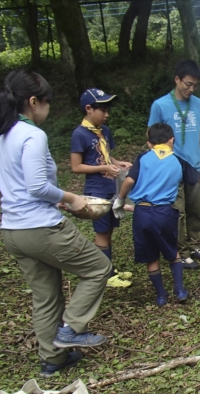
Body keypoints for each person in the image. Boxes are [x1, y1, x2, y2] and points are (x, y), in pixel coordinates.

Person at [0, 69, 111, 377]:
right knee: (98, 267)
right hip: (41, 228)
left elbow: (17, 186)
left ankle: (52, 361)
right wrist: (71, 198)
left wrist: (54, 198)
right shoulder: (32, 135)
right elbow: (35, 185)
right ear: (33, 101)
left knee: (46, 295)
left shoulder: (1, 136)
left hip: (13, 230)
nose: (49, 108)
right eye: (47, 102)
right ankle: (71, 328)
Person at [113, 123, 200, 306]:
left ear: (149, 143)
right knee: (173, 253)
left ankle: (161, 296)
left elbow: (128, 181)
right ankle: (180, 290)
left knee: (151, 257)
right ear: (171, 140)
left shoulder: (142, 158)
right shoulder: (178, 161)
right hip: (164, 212)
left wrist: (120, 200)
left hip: (142, 213)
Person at [148, 59, 200, 269]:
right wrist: (159, 163)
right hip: (171, 168)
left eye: (195, 85)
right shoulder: (160, 105)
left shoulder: (199, 104)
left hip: (193, 165)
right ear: (177, 79)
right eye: (188, 84)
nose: (191, 89)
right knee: (178, 211)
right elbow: (151, 137)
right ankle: (180, 250)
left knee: (195, 208)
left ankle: (195, 243)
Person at [70, 88, 133, 288]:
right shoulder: (79, 134)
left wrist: (117, 162)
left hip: (111, 187)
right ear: (89, 109)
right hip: (96, 190)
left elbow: (107, 156)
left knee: (109, 231)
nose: (107, 115)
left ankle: (109, 268)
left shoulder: (104, 131)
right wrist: (104, 167)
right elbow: (76, 166)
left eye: (108, 110)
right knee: (102, 232)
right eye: (103, 110)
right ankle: (104, 275)